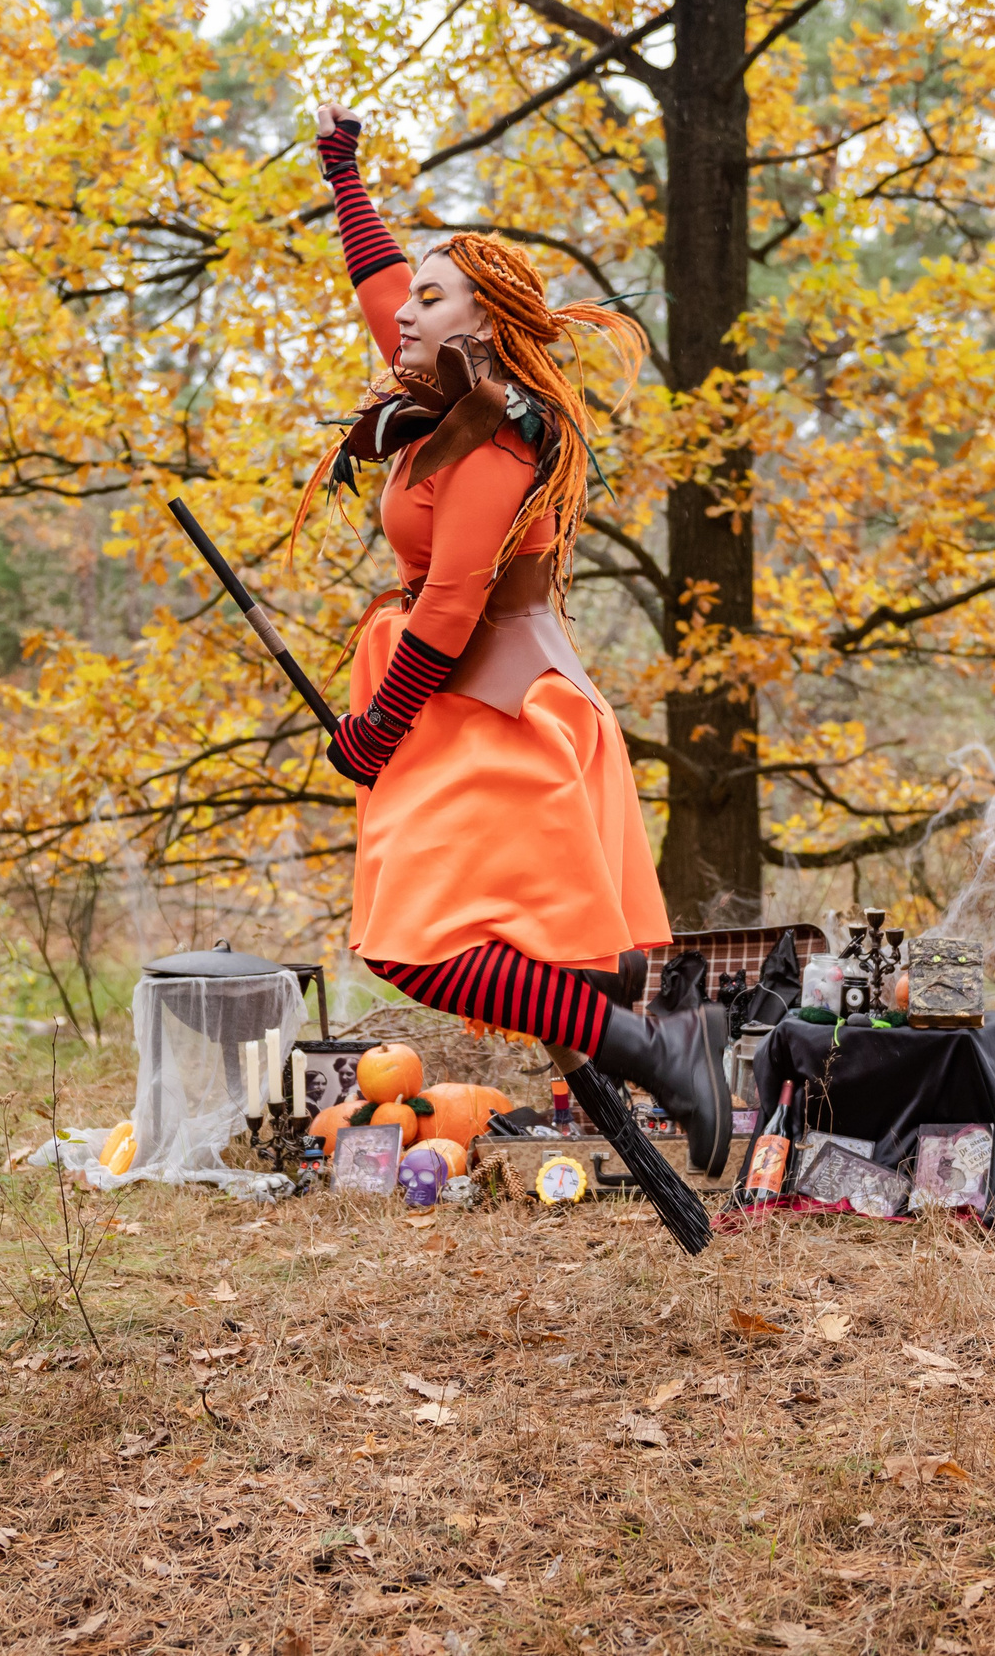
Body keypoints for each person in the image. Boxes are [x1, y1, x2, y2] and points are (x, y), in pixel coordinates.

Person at [304, 103, 731, 1174]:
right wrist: (341, 174)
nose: (404, 312)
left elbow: (450, 603)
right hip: (449, 705)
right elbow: (381, 288)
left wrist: (371, 731)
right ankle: (657, 1035)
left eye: (431, 297)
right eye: (411, 296)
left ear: (483, 323)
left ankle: (660, 1043)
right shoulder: (441, 389)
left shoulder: (499, 436)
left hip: (494, 703)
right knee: (432, 941)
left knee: (422, 944)